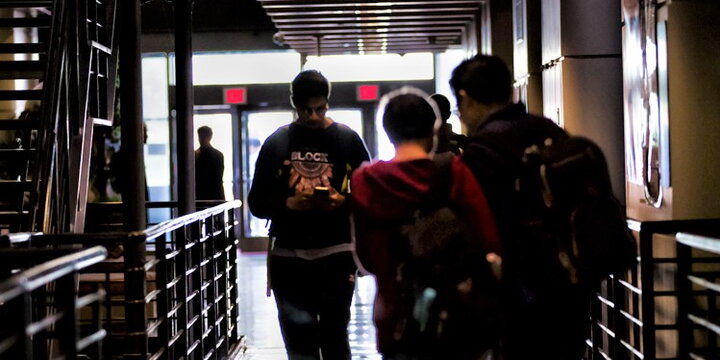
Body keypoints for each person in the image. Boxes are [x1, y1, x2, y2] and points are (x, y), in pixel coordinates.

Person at [450, 55, 587, 359]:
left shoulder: (481, 150)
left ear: (465, 98)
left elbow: (476, 226)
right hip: (570, 285)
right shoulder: (551, 131)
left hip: (518, 292)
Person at [351, 87, 501, 360]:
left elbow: (367, 259)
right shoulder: (453, 172)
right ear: (434, 130)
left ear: (388, 132)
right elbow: (487, 238)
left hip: (396, 317)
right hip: (456, 318)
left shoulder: (366, 181)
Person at [248, 70, 370, 360]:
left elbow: (371, 195)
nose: (314, 116)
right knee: (299, 345)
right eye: (306, 110)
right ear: (295, 105)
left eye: (320, 109)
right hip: (290, 258)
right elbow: (256, 202)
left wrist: (342, 200)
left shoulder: (347, 140)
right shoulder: (277, 142)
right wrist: (289, 204)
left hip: (336, 255)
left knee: (335, 337)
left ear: (327, 103)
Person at [194, 125, 225, 200]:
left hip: (211, 194)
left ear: (209, 137)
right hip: (202, 194)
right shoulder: (195, 154)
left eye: (203, 137)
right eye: (200, 137)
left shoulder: (217, 155)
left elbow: (217, 178)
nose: (201, 140)